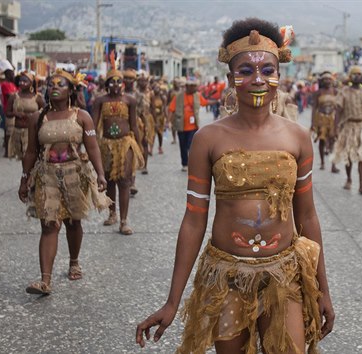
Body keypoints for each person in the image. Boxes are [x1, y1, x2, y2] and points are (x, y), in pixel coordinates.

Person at [136, 18, 334, 353]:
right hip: (226, 277)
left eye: (267, 70)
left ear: (279, 76)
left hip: (285, 275)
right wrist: (172, 301)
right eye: (245, 71)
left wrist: (323, 290)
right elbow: (194, 220)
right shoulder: (207, 139)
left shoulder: (298, 137)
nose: (257, 79)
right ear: (230, 78)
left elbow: (308, 217)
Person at [18, 69, 110, 295]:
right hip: (46, 175)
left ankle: (74, 261)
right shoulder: (37, 118)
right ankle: (45, 280)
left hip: (75, 174)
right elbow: (31, 151)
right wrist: (24, 178)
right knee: (49, 224)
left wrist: (100, 174)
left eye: (60, 84)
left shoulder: (82, 116)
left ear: (71, 90)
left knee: (73, 222)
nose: (54, 87)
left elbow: (93, 147)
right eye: (51, 84)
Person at [92, 69, 144, 235]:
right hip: (106, 145)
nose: (115, 85)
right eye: (112, 82)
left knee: (124, 181)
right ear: (107, 85)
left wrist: (139, 146)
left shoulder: (130, 100)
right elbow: (93, 124)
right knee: (109, 180)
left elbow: (134, 124)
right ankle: (112, 213)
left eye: (118, 81)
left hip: (125, 144)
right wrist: (88, 145)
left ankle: (124, 221)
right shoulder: (99, 101)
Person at [332, 66, 362, 194]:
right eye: (355, 74)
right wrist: (335, 128)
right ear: (350, 76)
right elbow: (338, 112)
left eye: (359, 74)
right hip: (348, 127)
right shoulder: (344, 92)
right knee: (349, 155)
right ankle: (349, 179)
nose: (357, 76)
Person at [167, 76, 210, 171]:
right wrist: (168, 122)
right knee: (183, 146)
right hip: (181, 126)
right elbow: (171, 109)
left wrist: (218, 102)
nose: (195, 88)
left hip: (193, 126)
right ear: (187, 86)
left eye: (195, 86)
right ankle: (184, 164)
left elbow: (205, 103)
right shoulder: (178, 96)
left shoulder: (197, 95)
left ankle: (192, 163)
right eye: (193, 86)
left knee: (191, 146)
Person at [5, 71, 45, 160]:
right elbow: (7, 113)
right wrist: (15, 113)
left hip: (32, 132)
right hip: (17, 131)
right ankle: (25, 173)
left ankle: (29, 173)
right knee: (23, 158)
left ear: (31, 83)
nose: (21, 83)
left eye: (25, 81)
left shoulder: (38, 98)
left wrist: (34, 116)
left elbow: (45, 113)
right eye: (20, 81)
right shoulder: (14, 97)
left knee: (31, 157)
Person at [311, 71, 340, 173]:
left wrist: (338, 122)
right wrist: (313, 123)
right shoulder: (318, 92)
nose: (327, 81)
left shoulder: (335, 91)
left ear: (332, 81)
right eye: (325, 79)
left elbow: (338, 108)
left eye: (329, 79)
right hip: (321, 119)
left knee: (333, 141)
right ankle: (323, 162)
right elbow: (314, 108)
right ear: (322, 81)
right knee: (322, 141)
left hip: (332, 119)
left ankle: (333, 164)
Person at [136, 70, 155, 173]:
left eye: (144, 81)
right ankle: (138, 162)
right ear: (138, 82)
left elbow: (153, 107)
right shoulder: (135, 93)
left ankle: (145, 166)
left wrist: (154, 123)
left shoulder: (150, 93)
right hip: (136, 119)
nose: (142, 83)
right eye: (141, 81)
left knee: (145, 142)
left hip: (147, 120)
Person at [0, 60, 17, 158]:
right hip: (8, 110)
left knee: (12, 131)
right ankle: (7, 151)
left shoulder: (13, 84)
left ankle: (11, 150)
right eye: (11, 73)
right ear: (7, 74)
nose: (13, 75)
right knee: (8, 131)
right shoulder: (5, 84)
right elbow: (9, 96)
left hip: (15, 110)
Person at [151, 83, 167, 154]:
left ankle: (160, 146)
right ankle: (151, 148)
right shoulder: (151, 97)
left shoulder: (162, 97)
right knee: (152, 133)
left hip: (160, 117)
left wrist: (166, 119)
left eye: (157, 88)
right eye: (155, 88)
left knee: (160, 133)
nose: (156, 89)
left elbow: (164, 108)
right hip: (153, 117)